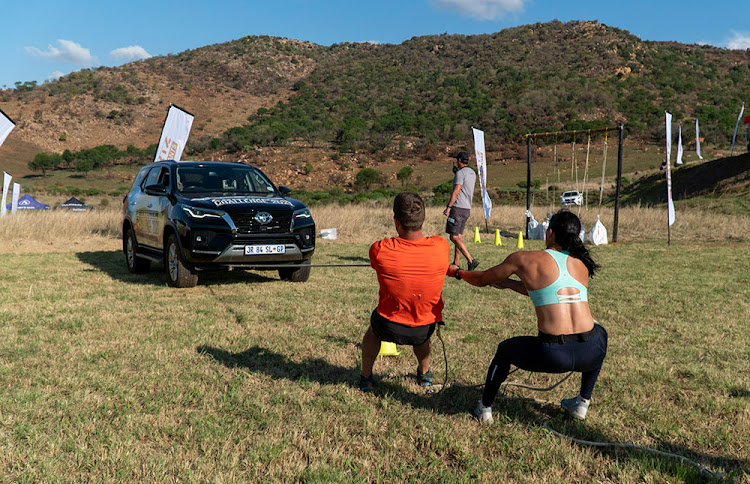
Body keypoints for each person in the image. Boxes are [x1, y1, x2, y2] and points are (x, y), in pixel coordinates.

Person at [449, 210, 607, 422]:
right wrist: (509, 284)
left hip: (553, 354)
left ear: (549, 232)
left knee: (504, 351)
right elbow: (545, 291)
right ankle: (582, 403)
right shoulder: (582, 264)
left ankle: (484, 408)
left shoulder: (524, 258)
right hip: (590, 351)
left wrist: (458, 272)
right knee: (601, 333)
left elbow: (482, 279)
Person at [360, 191, 450, 391]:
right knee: (422, 336)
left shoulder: (379, 248)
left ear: (396, 221)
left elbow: (377, 264)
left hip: (388, 325)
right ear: (424, 218)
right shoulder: (442, 246)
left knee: (372, 334)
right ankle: (424, 374)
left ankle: (366, 377)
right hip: (424, 328)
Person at [443, 151, 479, 271]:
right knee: (458, 236)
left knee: (453, 237)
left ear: (459, 160)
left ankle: (471, 260)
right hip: (467, 209)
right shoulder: (472, 173)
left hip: (457, 208)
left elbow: (456, 191)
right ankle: (456, 263)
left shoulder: (460, 173)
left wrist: (449, 207)